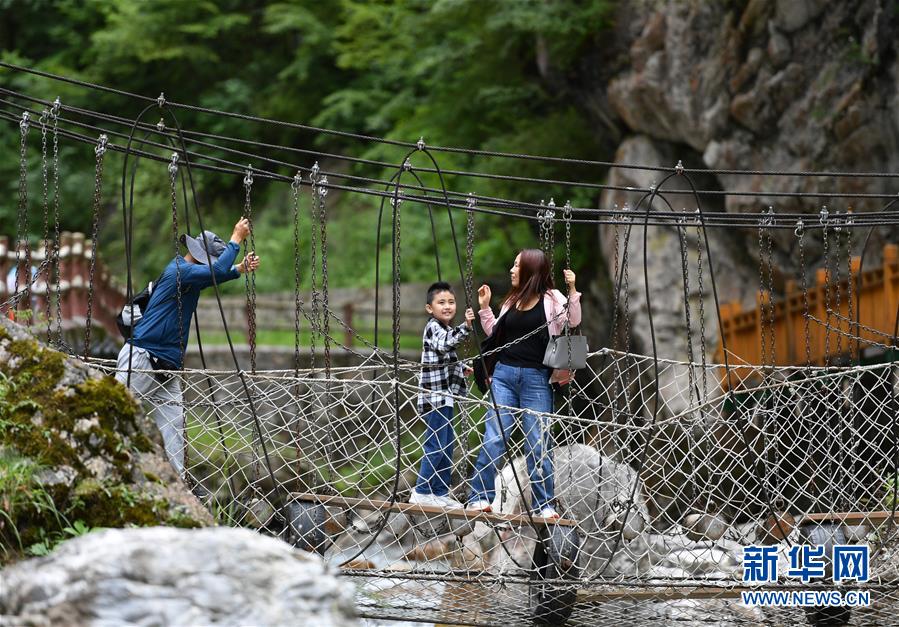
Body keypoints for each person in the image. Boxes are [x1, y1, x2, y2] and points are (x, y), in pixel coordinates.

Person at [114, 218, 260, 478]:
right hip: (142, 358)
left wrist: (239, 268)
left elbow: (216, 275)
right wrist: (235, 239)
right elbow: (215, 272)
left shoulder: (192, 279)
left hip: (167, 365)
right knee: (114, 415)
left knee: (174, 429)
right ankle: (105, 471)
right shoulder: (179, 271)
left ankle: (176, 487)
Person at [466, 249, 581, 519]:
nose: (511, 270)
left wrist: (573, 288)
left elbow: (573, 321)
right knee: (496, 438)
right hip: (504, 376)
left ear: (530, 270)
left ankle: (544, 505)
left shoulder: (553, 299)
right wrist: (485, 308)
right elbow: (496, 334)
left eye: (516, 265)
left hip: (537, 379)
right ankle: (479, 496)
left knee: (538, 443)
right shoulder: (511, 301)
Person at [410, 281, 475, 509]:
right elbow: (445, 345)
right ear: (430, 308)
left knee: (447, 446)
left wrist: (461, 367)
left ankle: (439, 491)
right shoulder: (433, 327)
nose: (447, 306)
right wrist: (466, 326)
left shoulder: (446, 329)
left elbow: (446, 357)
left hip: (445, 396)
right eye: (441, 303)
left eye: (451, 302)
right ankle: (421, 490)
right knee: (436, 444)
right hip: (434, 396)